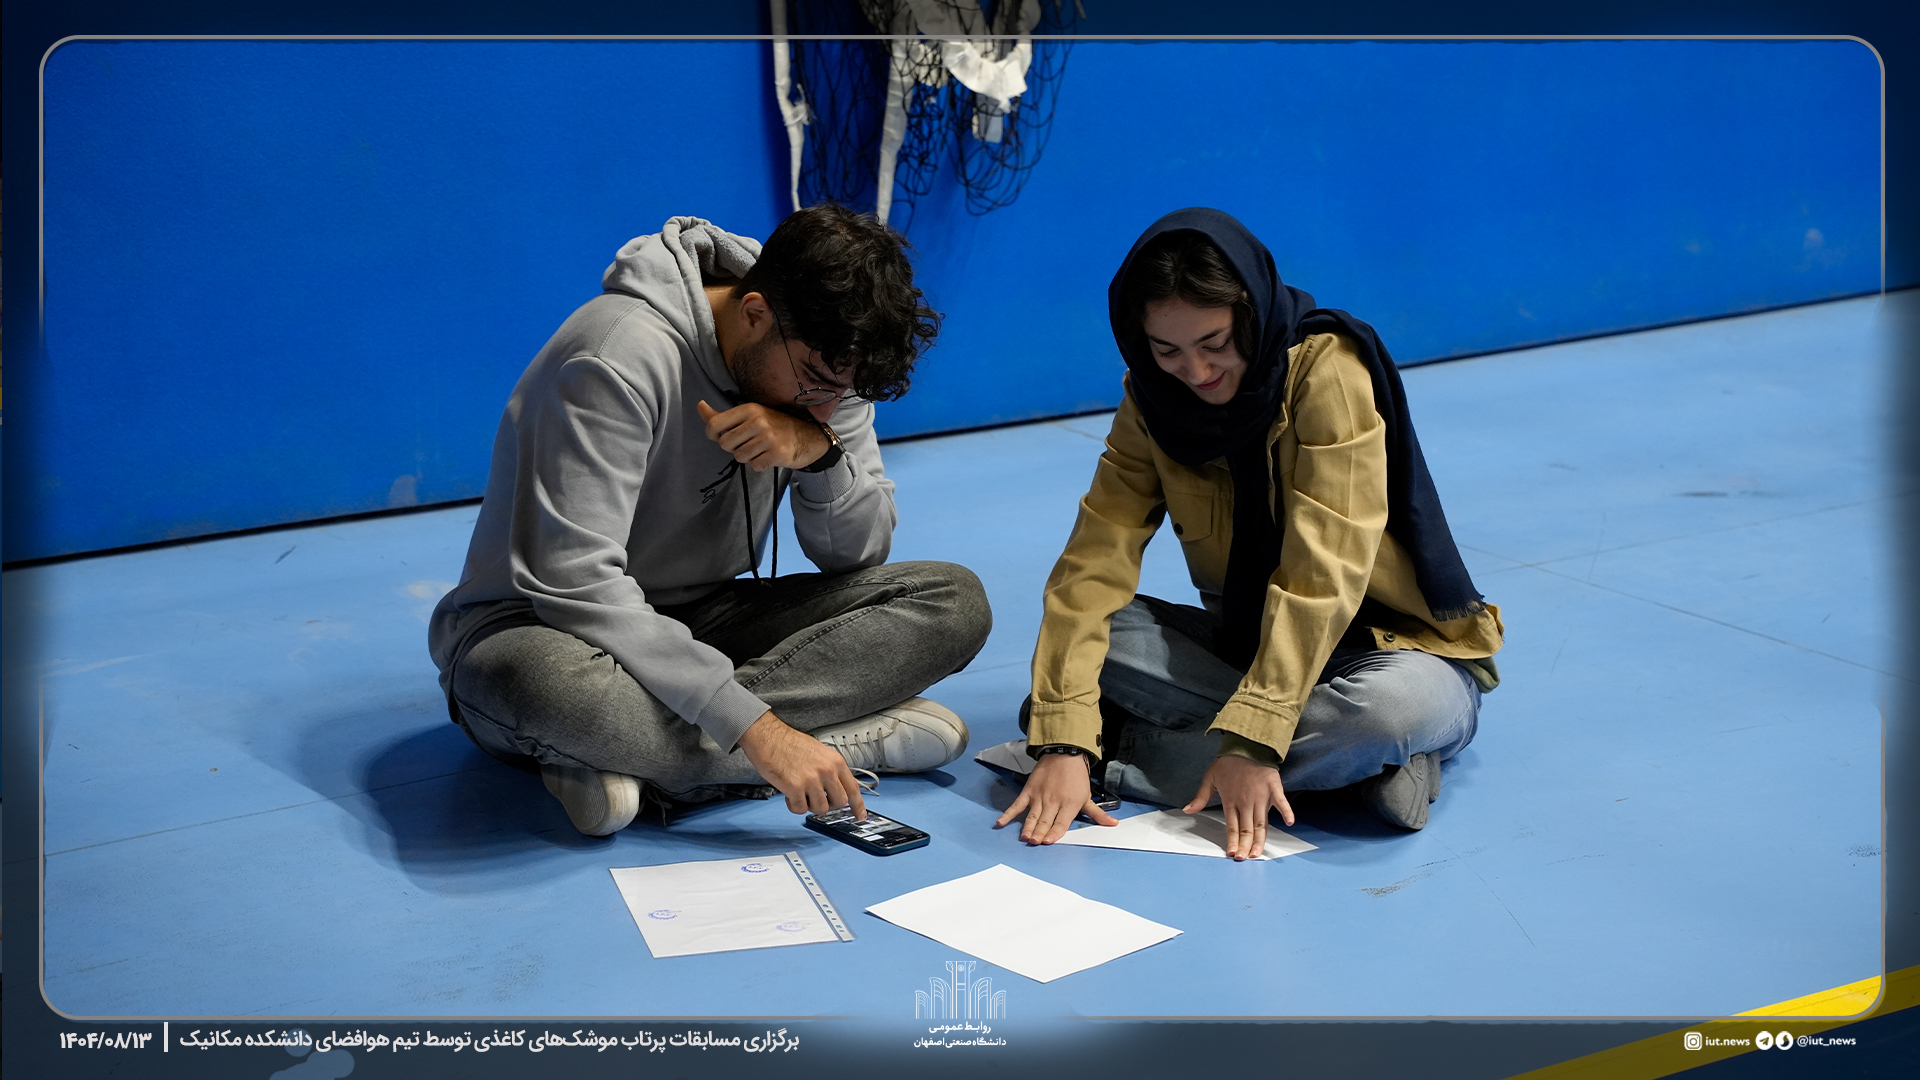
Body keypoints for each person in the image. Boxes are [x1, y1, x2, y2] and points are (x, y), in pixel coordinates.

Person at [429, 205, 992, 837]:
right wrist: (759, 729)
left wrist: (821, 457)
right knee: (531, 683)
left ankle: (631, 759)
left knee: (952, 601)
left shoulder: (832, 365)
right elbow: (576, 585)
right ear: (754, 313)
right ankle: (824, 746)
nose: (828, 406)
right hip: (544, 626)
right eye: (815, 384)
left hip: (705, 617)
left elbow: (856, 556)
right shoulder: (614, 356)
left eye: (845, 392)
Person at [996, 208, 1503, 858]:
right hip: (1249, 651)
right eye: (1167, 350)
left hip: (1392, 654)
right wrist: (1065, 740)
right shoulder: (1151, 400)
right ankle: (1355, 777)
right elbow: (1092, 564)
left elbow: (1324, 573)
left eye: (1215, 342)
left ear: (1251, 313)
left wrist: (1256, 737)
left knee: (1390, 714)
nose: (1196, 371)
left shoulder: (1327, 371)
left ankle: (1132, 751)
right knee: (1098, 641)